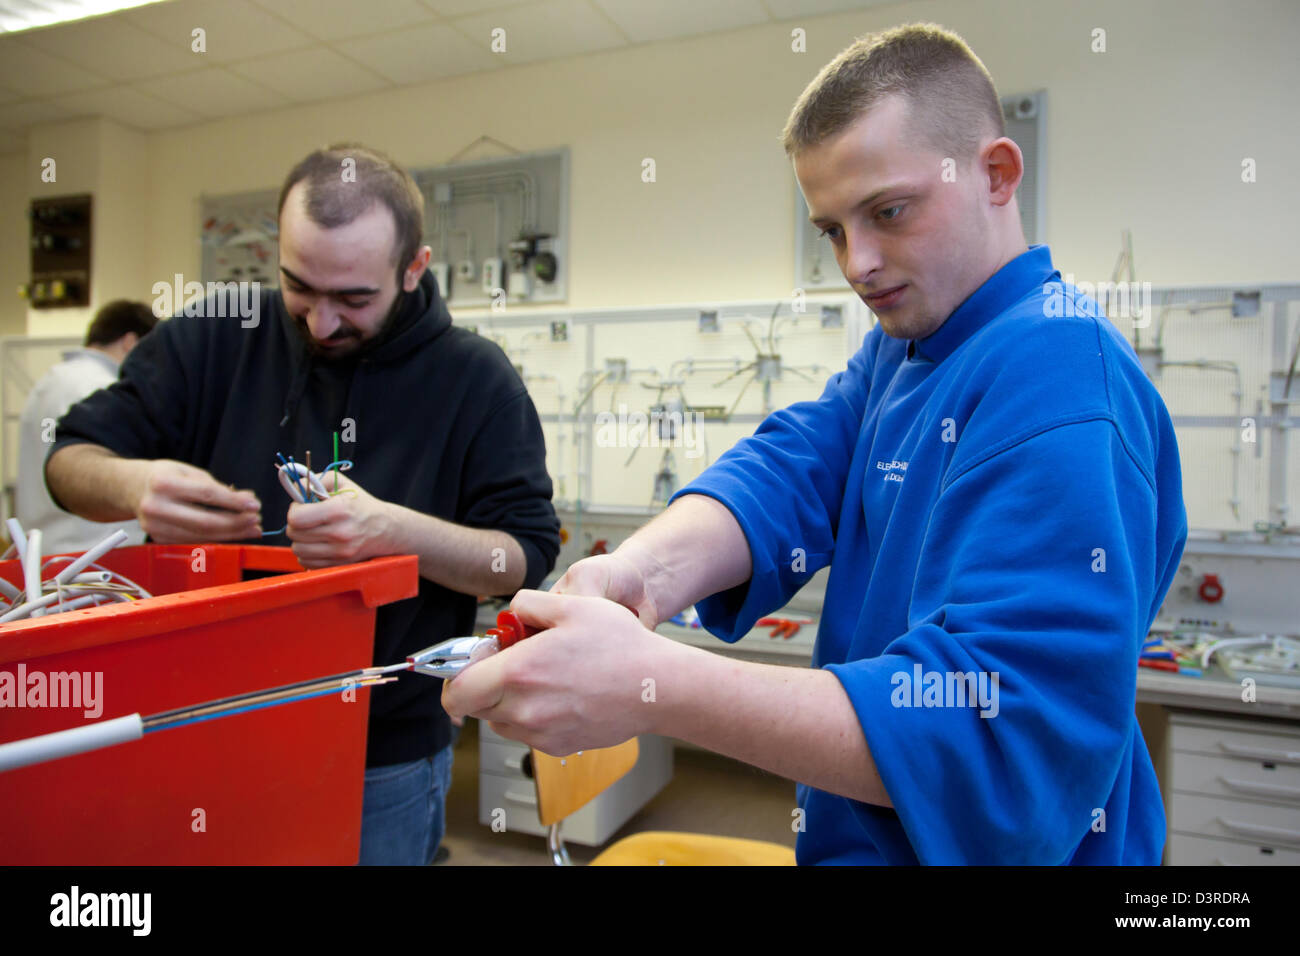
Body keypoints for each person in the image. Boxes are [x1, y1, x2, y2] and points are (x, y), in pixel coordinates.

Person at [442, 24, 1188, 865]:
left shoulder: (1057, 371)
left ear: (996, 174)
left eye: (888, 212)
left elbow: (1000, 738)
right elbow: (800, 466)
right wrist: (637, 575)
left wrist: (654, 686)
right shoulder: (912, 344)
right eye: (831, 229)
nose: (857, 264)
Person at [46, 144, 560, 865]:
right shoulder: (217, 337)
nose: (320, 323)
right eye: (299, 288)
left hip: (380, 759)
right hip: (203, 726)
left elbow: (521, 559)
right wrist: (137, 486)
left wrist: (393, 531)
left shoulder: (476, 381)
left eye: (353, 299)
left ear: (414, 268)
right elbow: (68, 460)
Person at [17, 300, 157, 554]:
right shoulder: (105, 388)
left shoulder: (48, 382)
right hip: (95, 550)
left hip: (43, 547)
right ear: (130, 342)